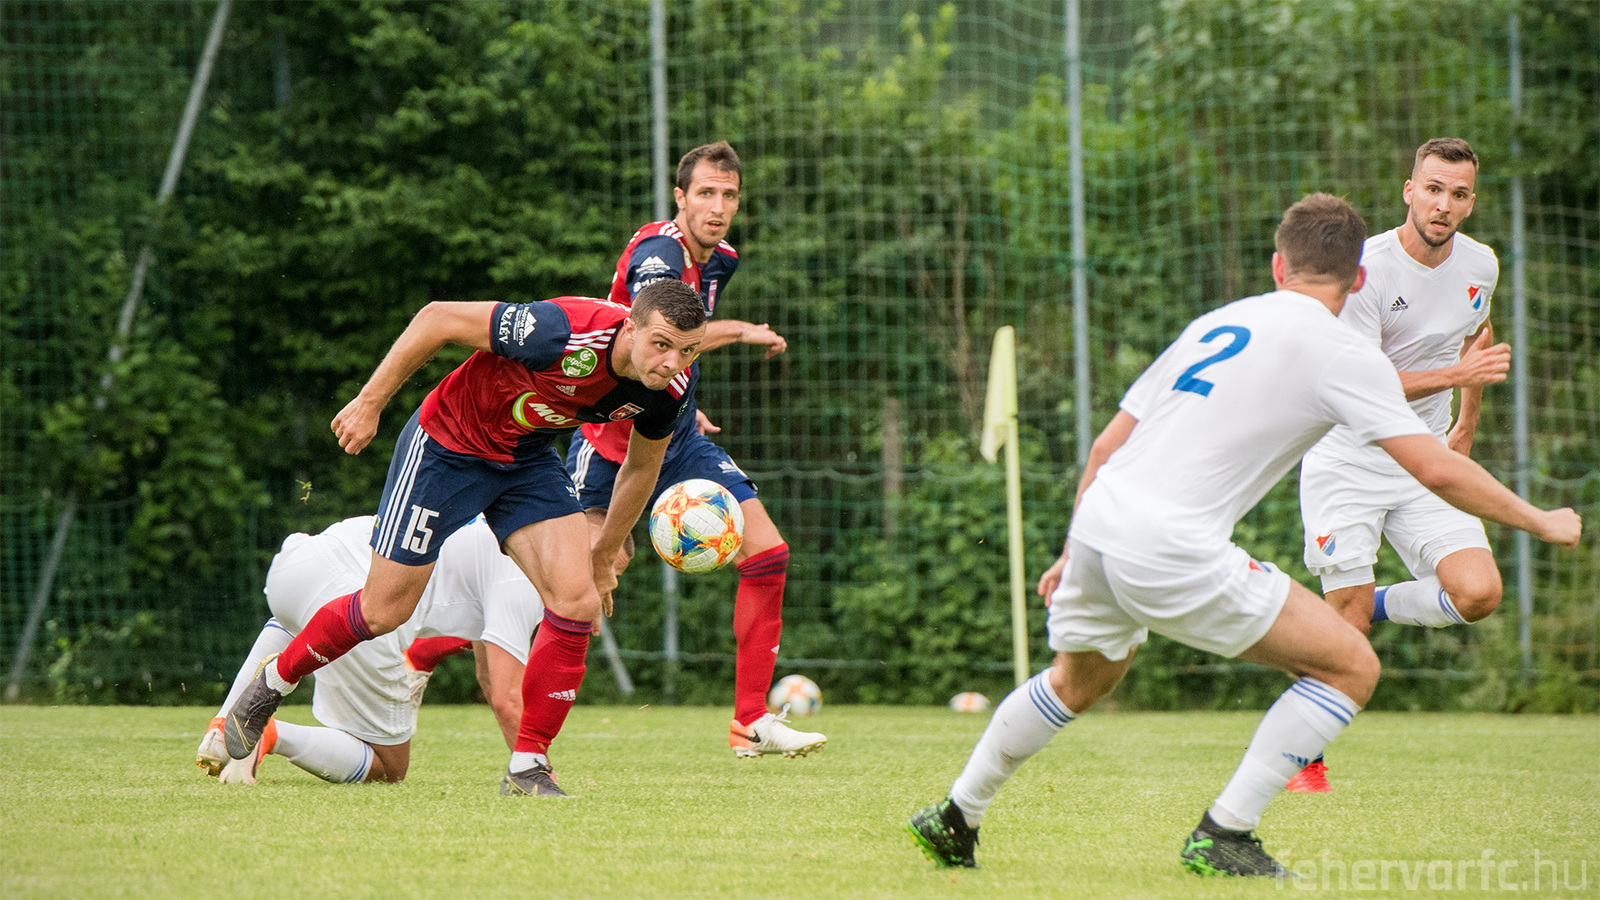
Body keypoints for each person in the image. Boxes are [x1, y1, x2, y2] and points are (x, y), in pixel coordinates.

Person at [905, 194, 1581, 876]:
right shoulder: (1342, 353)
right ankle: (1224, 834)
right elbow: (1436, 467)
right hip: (1171, 544)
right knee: (1351, 665)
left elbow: (1107, 446)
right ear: (1359, 278)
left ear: (1278, 266)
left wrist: (1072, 549)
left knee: (1080, 680)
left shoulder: (1216, 323)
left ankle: (957, 815)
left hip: (1101, 524)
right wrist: (1538, 519)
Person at [220, 281, 707, 798]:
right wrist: (369, 402)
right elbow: (437, 318)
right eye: (661, 344)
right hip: (447, 446)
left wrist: (605, 553)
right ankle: (271, 684)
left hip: (525, 459)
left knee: (576, 601)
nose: (672, 362)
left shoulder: (672, 387)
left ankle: (527, 767)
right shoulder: (560, 332)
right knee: (384, 611)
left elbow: (641, 467)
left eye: (688, 350)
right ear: (630, 327)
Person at [566, 141, 825, 759]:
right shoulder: (658, 255)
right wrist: (740, 331)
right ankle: (432, 648)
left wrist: (686, 401)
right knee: (575, 583)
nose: (718, 207)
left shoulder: (721, 259)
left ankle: (750, 722)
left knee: (767, 554)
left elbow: (673, 355)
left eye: (729, 195)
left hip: (675, 436)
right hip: (612, 440)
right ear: (680, 198)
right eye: (705, 193)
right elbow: (661, 332)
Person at [1289, 138, 1507, 793]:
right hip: (1350, 457)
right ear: (1410, 191)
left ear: (1470, 203)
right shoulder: (1366, 269)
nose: (1444, 205)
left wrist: (1464, 425)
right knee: (1344, 632)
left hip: (1425, 458)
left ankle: (1370, 604)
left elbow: (1476, 338)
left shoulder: (1481, 265)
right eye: (1433, 189)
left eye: (1458, 194)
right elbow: (1360, 384)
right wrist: (1456, 377)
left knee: (1478, 594)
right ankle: (1304, 760)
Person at [194, 514, 634, 785]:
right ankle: (267, 732)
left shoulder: (511, 528)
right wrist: (536, 769)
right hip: (351, 593)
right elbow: (506, 697)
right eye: (604, 567)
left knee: (296, 621)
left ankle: (224, 724)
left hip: (299, 561)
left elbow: (488, 676)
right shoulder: (523, 576)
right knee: (388, 766)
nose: (606, 584)